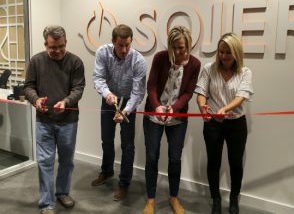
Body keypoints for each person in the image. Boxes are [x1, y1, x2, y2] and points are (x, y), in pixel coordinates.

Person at [24, 25, 85, 214]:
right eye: (52, 47)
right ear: (45, 45)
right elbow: (28, 87)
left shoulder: (75, 62)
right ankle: (47, 203)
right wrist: (35, 99)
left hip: (68, 121)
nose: (57, 51)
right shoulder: (36, 61)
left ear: (65, 42)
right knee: (45, 162)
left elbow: (78, 88)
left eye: (60, 46)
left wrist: (66, 102)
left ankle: (62, 193)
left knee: (66, 160)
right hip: (44, 121)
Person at [142, 26, 201, 214]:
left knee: (175, 159)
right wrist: (157, 105)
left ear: (189, 46)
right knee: (152, 157)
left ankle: (173, 197)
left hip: (178, 118)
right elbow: (151, 85)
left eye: (182, 48)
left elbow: (188, 93)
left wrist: (173, 108)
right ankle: (151, 200)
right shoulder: (160, 57)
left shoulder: (195, 64)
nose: (178, 52)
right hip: (154, 115)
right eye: (174, 47)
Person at [195, 33, 254, 214]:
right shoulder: (209, 68)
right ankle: (216, 199)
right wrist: (202, 107)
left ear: (236, 52)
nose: (224, 56)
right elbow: (201, 92)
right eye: (221, 51)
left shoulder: (245, 72)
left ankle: (234, 198)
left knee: (236, 162)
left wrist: (226, 109)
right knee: (213, 161)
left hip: (236, 124)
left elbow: (241, 96)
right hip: (213, 123)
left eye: (228, 52)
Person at [91, 24, 147, 201]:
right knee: (106, 140)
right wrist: (108, 95)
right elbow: (98, 78)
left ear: (131, 42)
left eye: (127, 45)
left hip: (129, 102)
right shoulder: (102, 52)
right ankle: (107, 171)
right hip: (109, 99)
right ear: (113, 42)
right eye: (120, 45)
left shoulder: (139, 61)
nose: (124, 50)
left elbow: (139, 92)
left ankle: (124, 183)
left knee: (127, 146)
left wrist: (125, 110)